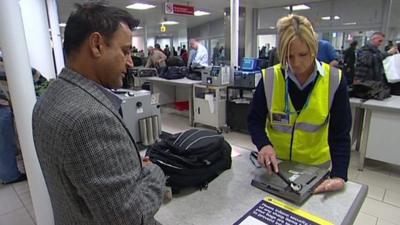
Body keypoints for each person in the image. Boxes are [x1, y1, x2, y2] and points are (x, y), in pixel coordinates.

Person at [32, 3, 165, 225]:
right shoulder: (90, 120)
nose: (130, 62)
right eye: (125, 50)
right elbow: (131, 219)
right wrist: (153, 172)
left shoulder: (47, 100)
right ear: (96, 45)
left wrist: (128, 167)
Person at [247, 14, 351, 194]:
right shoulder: (270, 78)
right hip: (276, 169)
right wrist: (263, 145)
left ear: (314, 47)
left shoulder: (335, 80)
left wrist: (340, 175)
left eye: (303, 54)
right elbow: (254, 120)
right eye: (289, 56)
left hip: (315, 172)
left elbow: (340, 134)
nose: (296, 63)